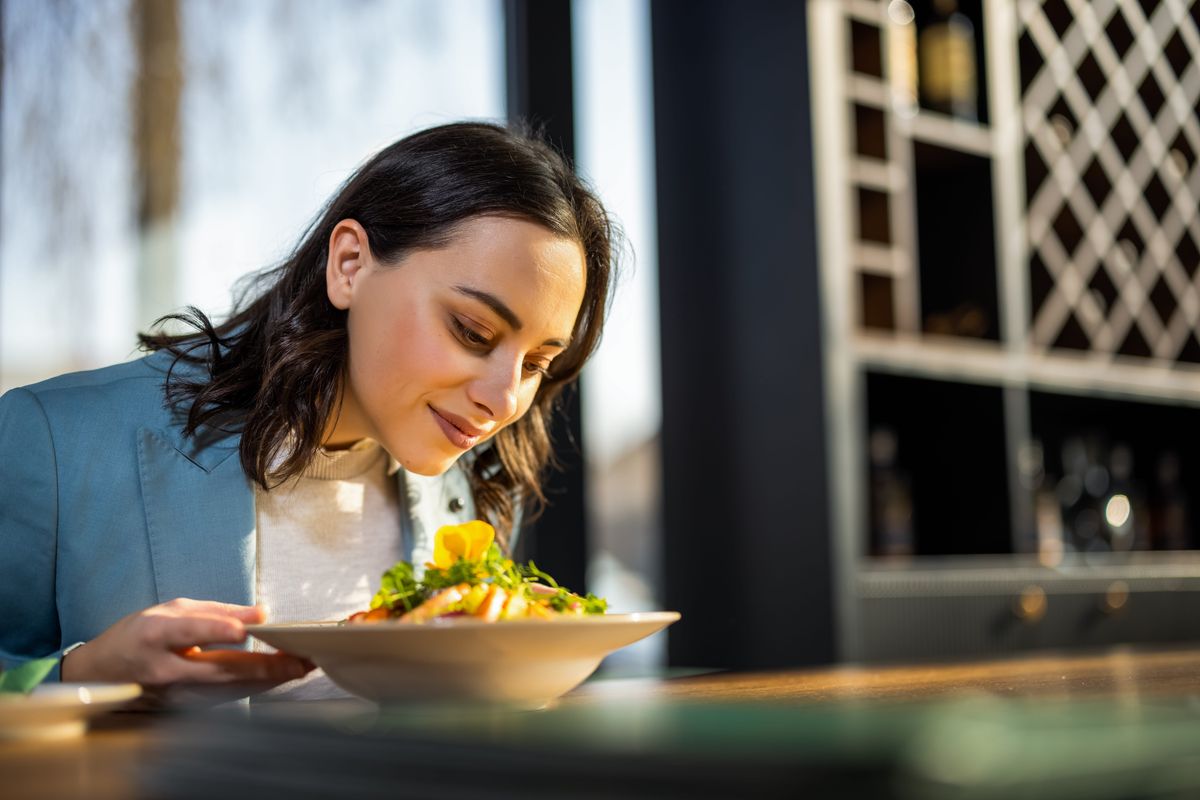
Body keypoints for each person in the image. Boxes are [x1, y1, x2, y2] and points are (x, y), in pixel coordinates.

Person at [0, 121, 616, 700]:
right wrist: (83, 673)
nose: (503, 400)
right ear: (349, 265)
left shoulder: (469, 495)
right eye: (472, 331)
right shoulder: (53, 441)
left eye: (536, 364)